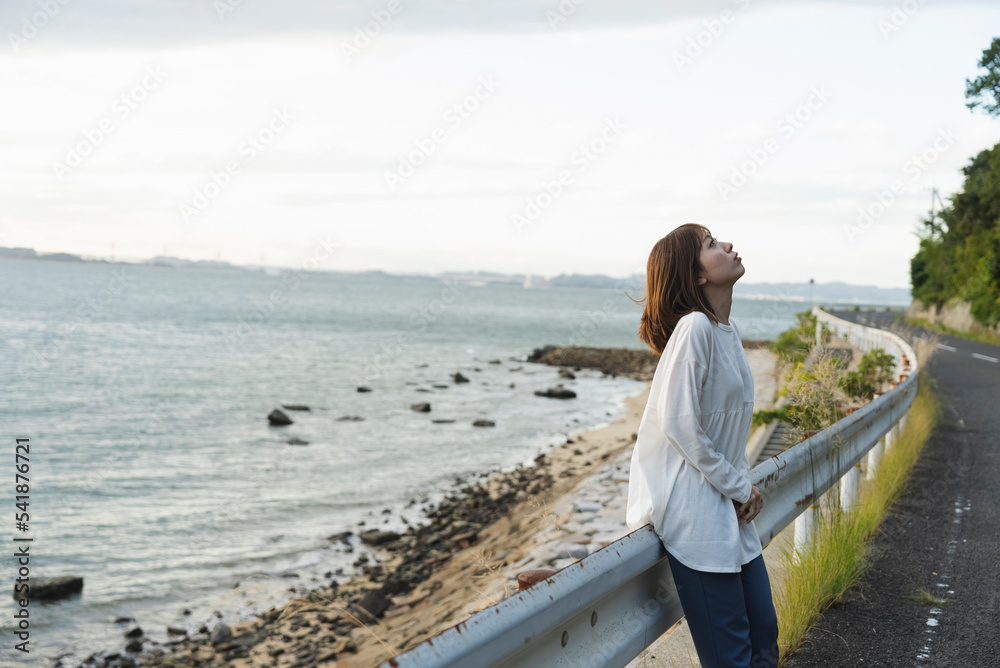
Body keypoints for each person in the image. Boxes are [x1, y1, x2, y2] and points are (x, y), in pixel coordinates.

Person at [625, 223, 779, 668]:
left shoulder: (724, 331)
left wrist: (740, 486)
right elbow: (679, 423)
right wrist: (739, 486)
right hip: (696, 517)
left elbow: (721, 430)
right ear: (695, 276)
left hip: (729, 509)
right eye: (711, 244)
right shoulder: (693, 328)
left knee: (764, 639)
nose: (728, 244)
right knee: (732, 656)